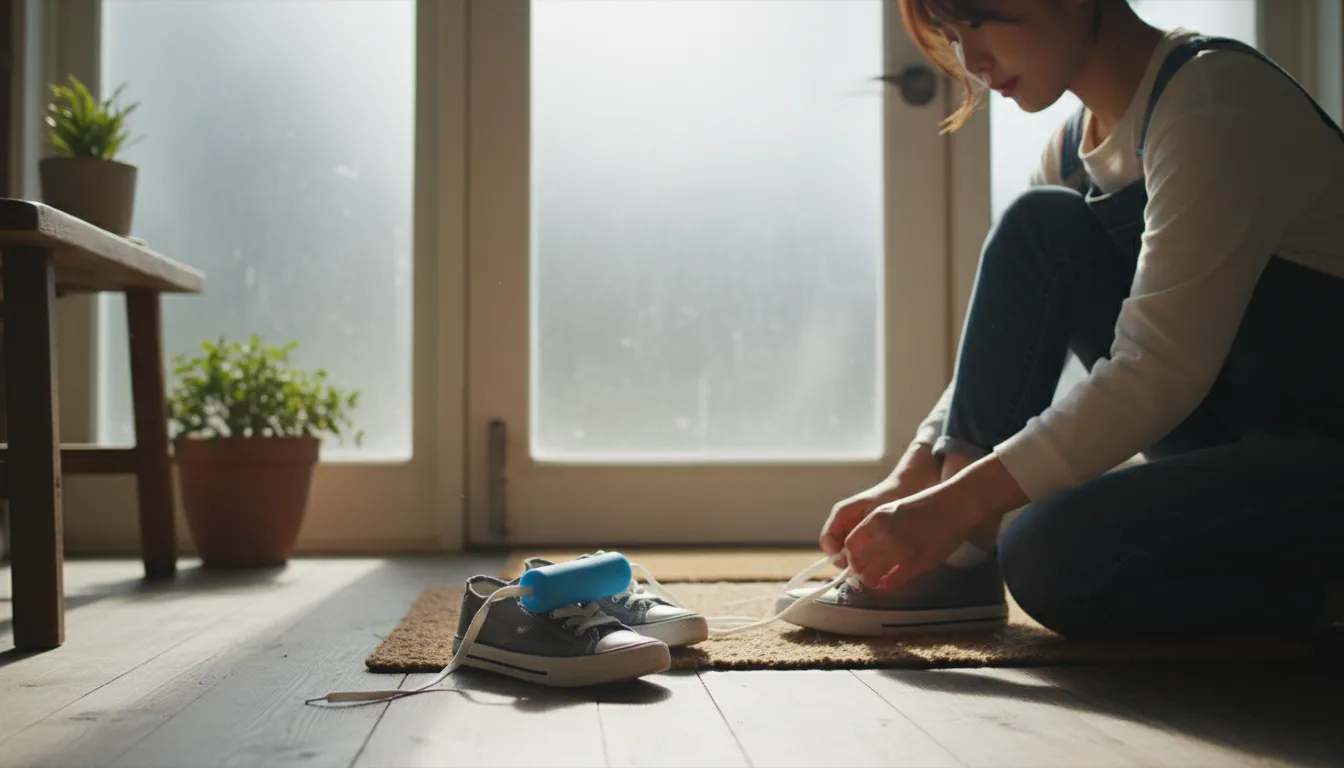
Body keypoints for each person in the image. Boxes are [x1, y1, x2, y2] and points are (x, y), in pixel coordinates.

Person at [783, 0, 1344, 640]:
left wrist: (955, 505)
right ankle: (961, 560)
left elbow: (1155, 371)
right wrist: (915, 477)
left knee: (1048, 554)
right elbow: (1004, 346)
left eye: (982, 19)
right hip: (1228, 450)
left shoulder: (1214, 102)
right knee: (1039, 226)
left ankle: (1323, 593)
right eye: (951, 32)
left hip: (1324, 458)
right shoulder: (1077, 147)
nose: (970, 60)